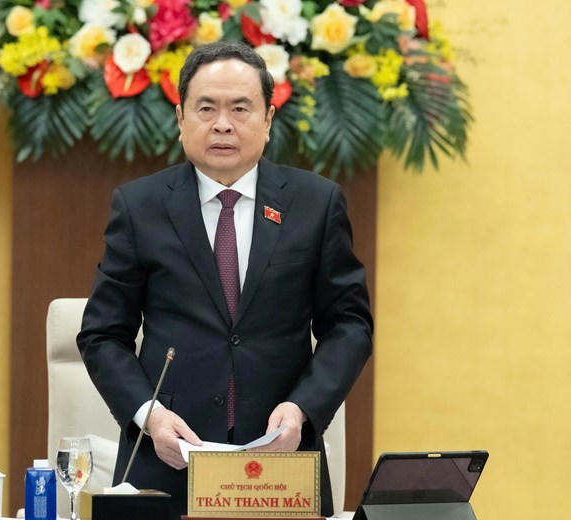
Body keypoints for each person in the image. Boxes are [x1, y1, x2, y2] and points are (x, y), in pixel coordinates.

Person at [77, 41, 373, 519]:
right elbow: (102, 334)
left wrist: (302, 409)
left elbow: (349, 326)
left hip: (280, 464)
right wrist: (150, 416)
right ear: (180, 119)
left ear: (269, 120)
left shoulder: (316, 203)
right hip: (169, 463)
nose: (222, 124)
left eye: (240, 108)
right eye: (206, 108)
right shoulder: (139, 207)